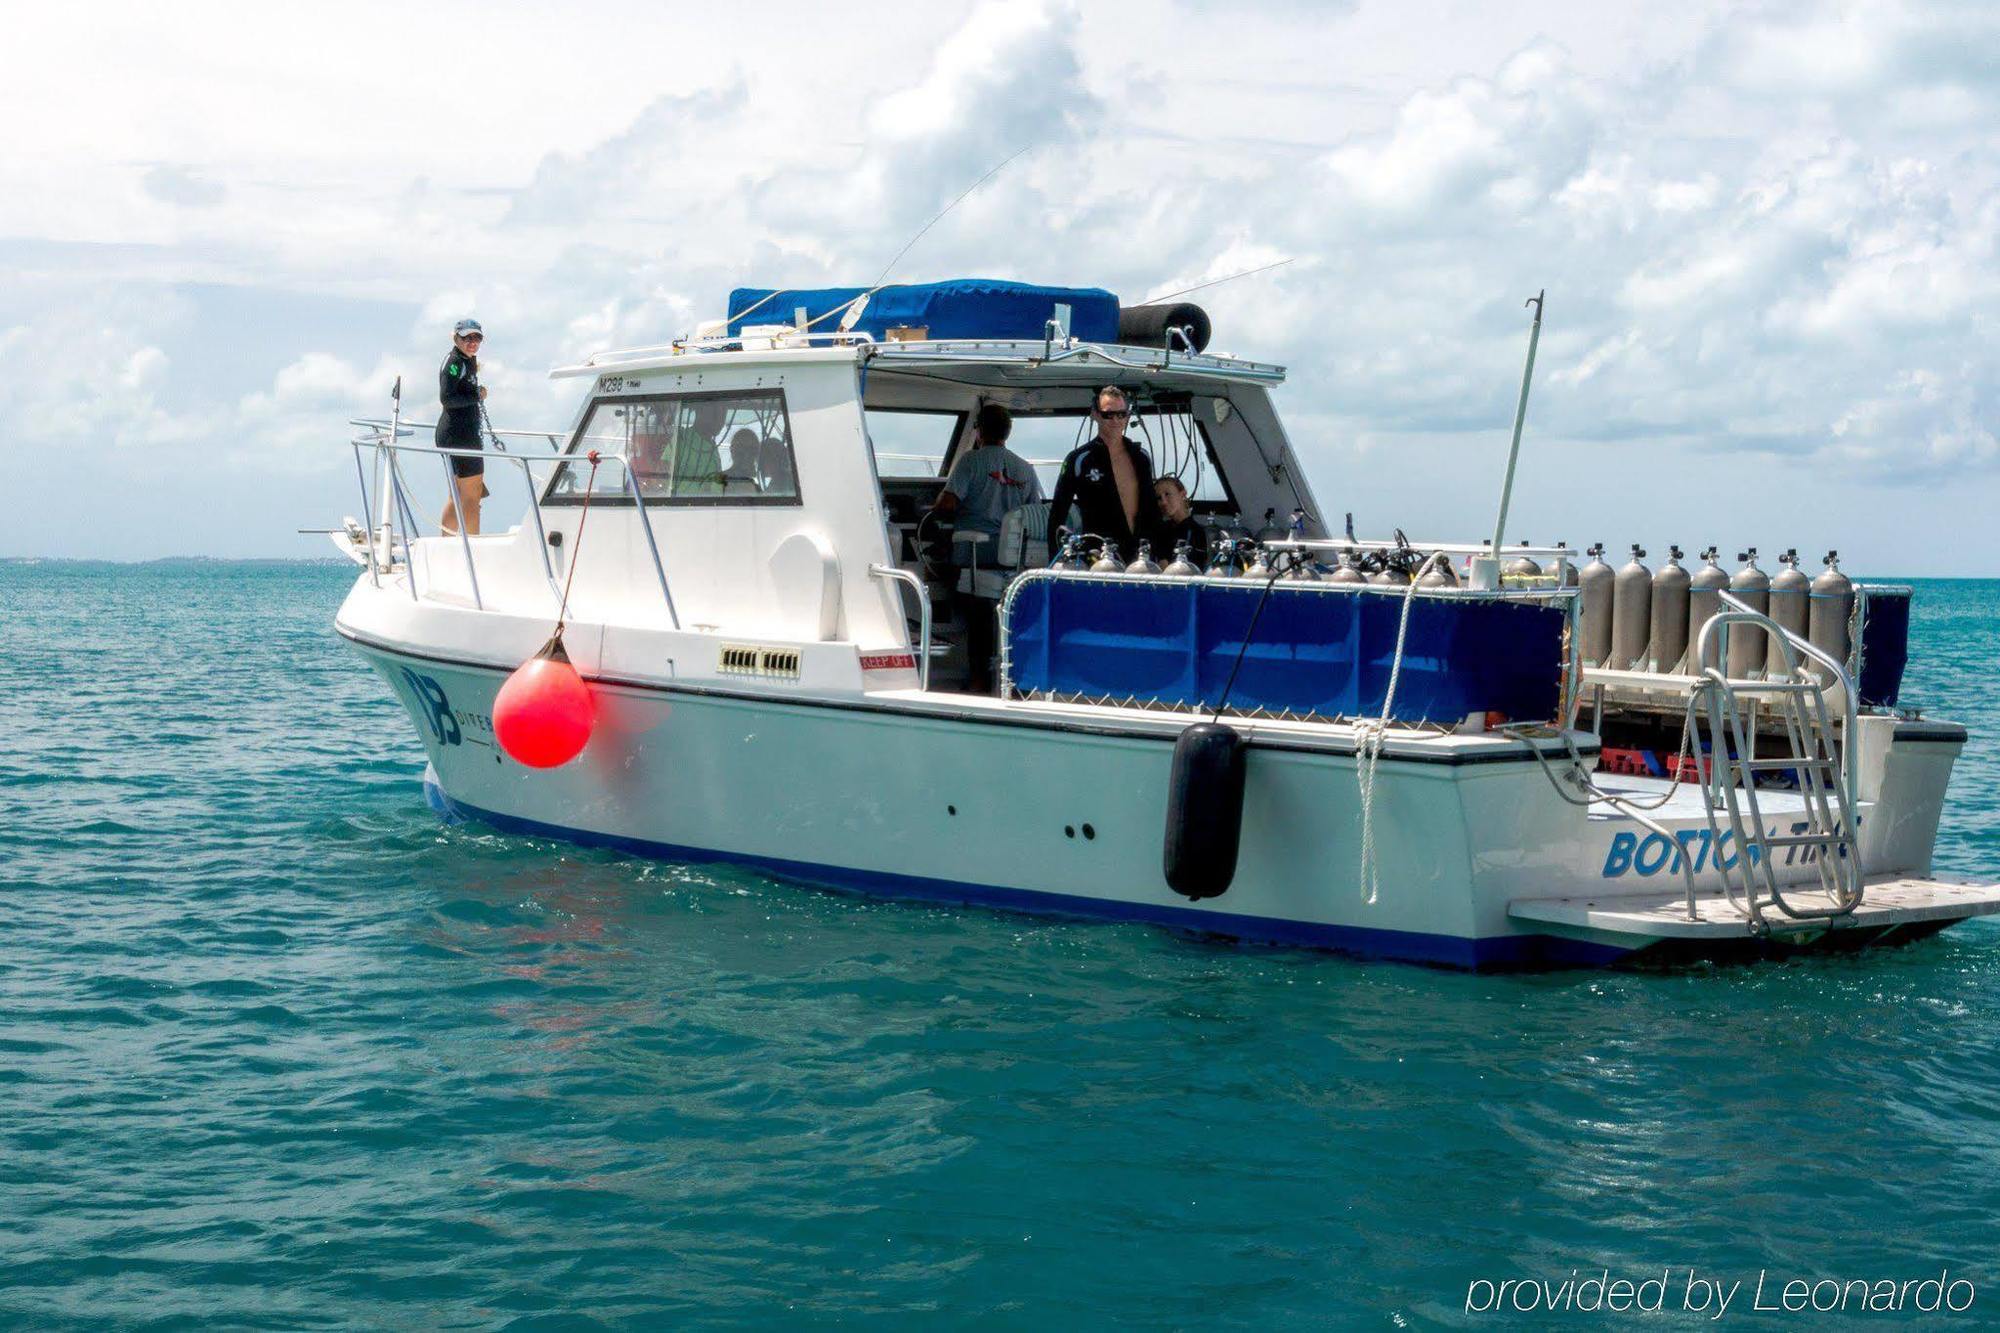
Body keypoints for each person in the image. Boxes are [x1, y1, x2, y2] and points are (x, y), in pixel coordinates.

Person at [932, 402, 1042, 694]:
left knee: (947, 570)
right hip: (1014, 559)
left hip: (976, 553)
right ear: (1008, 433)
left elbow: (947, 505)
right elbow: (1034, 512)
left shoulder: (971, 461)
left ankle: (975, 673)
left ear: (978, 430)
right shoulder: (1026, 469)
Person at [1047, 385, 1158, 562]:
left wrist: (1161, 554)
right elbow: (1057, 515)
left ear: (1127, 416)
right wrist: (1054, 561)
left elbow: (1153, 510)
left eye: (1121, 414)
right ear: (1095, 414)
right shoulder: (1079, 459)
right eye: (1108, 414)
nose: (1116, 420)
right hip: (1097, 554)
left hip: (1139, 553)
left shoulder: (1141, 457)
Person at [436, 318, 487, 534]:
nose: (472, 342)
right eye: (467, 337)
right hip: (458, 435)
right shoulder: (455, 362)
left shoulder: (467, 360)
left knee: (458, 495)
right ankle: (473, 547)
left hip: (461, 434)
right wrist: (477, 395)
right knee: (471, 497)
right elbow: (447, 399)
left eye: (477, 337)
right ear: (455, 338)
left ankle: (446, 544)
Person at [1149, 475, 1209, 567]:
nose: (1163, 502)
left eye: (1167, 494)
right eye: (1159, 498)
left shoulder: (1195, 532)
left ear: (1183, 494)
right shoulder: (1160, 530)